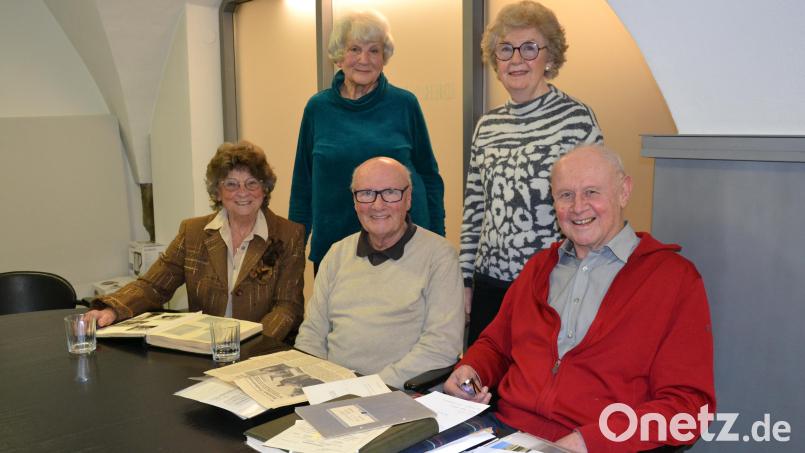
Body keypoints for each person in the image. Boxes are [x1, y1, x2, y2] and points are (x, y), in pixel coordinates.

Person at [445, 145, 715, 452]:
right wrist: (471, 370)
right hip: (504, 435)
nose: (578, 207)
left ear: (624, 192)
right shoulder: (539, 268)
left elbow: (688, 406)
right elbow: (495, 345)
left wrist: (590, 440)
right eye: (566, 195)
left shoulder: (672, 279)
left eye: (591, 192)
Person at [461, 0, 604, 345]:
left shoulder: (576, 120)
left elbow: (598, 209)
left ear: (550, 57)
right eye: (505, 49)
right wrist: (465, 282)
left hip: (552, 284)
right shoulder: (487, 126)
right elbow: (474, 210)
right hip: (490, 285)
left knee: (535, 389)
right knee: (485, 385)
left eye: (529, 48)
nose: (516, 60)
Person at [86, 141, 306, 342]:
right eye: (231, 184)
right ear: (217, 192)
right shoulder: (193, 232)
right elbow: (153, 286)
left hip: (260, 351)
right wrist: (114, 310)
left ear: (264, 189)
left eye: (252, 183)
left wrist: (251, 343)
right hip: (203, 351)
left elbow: (287, 307)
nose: (242, 192)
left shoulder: (288, 234)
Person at [289, 9, 445, 274]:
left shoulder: (404, 104)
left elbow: (429, 176)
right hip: (334, 248)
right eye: (354, 49)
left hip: (401, 249)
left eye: (374, 50)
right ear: (339, 55)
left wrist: (437, 241)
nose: (364, 59)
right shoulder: (318, 108)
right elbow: (303, 185)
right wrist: (292, 253)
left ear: (384, 57)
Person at [294, 157, 463, 389]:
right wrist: (313, 383)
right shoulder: (337, 253)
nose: (377, 205)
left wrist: (369, 388)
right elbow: (312, 333)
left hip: (398, 395)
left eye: (391, 192)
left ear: (409, 198)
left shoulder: (439, 256)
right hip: (332, 389)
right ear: (354, 202)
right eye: (366, 193)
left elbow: (441, 348)